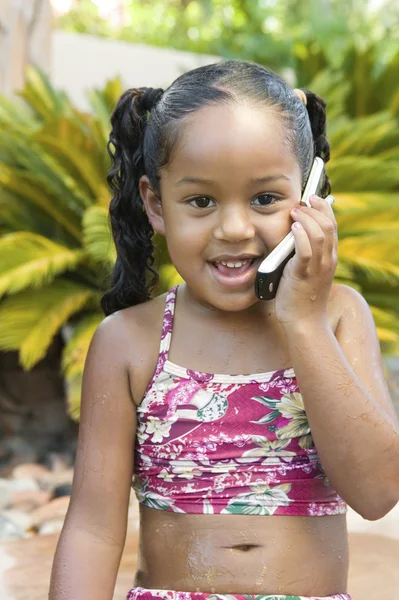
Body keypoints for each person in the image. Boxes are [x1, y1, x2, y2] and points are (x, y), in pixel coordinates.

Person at [49, 60, 399, 600]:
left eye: (265, 198)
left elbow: (377, 492)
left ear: (311, 196)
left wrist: (302, 321)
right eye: (201, 201)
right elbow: (93, 528)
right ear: (155, 203)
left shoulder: (337, 317)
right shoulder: (129, 342)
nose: (234, 229)